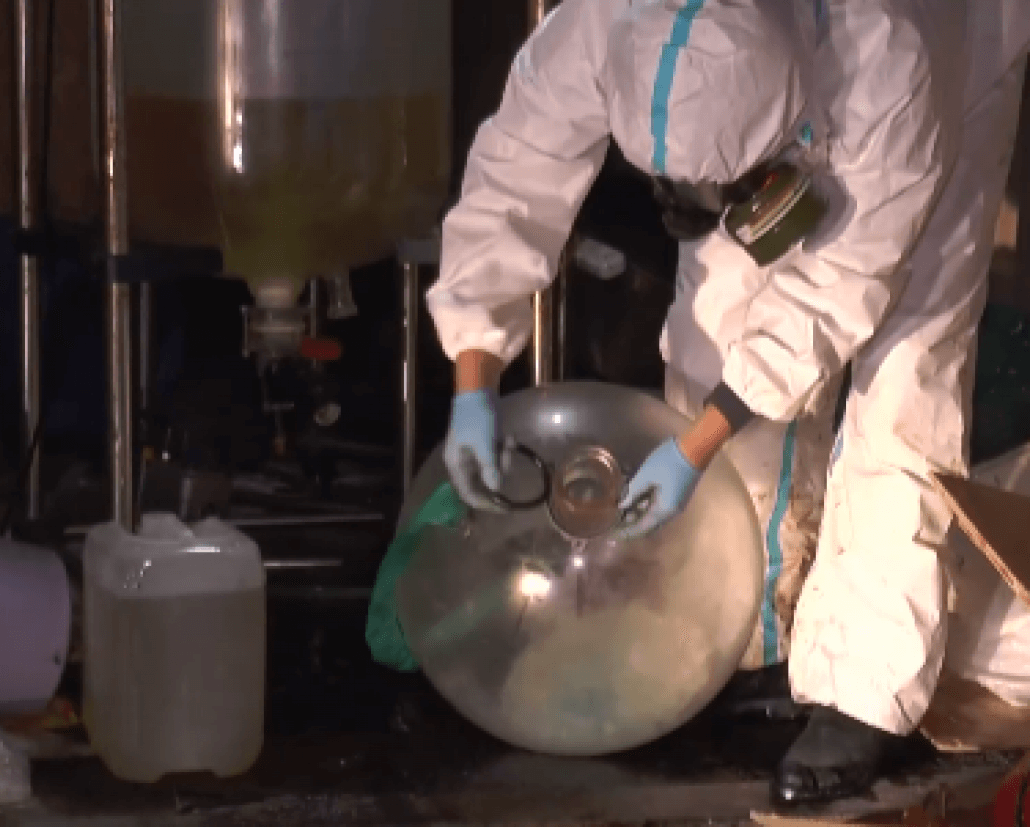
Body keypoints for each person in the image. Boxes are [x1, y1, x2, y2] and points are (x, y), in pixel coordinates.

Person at [427, 0, 1030, 806]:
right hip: (787, 99)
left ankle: (864, 684)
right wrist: (474, 379)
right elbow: (514, 180)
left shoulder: (893, 58)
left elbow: (839, 292)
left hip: (954, 42)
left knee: (907, 368)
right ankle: (746, 627)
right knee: (718, 321)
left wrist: (692, 449)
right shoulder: (603, 25)